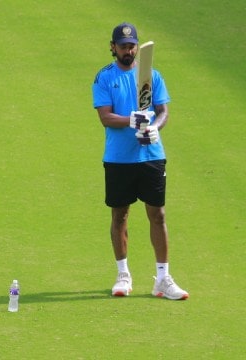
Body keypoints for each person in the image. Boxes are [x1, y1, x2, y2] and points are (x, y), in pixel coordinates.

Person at [92, 22, 188, 300]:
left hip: (151, 156)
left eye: (132, 45)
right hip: (119, 159)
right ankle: (123, 275)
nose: (128, 50)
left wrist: (155, 127)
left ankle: (163, 279)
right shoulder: (104, 78)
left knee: (157, 215)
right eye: (123, 46)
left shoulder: (152, 76)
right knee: (120, 215)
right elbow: (105, 117)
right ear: (113, 47)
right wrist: (132, 120)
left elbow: (163, 111)